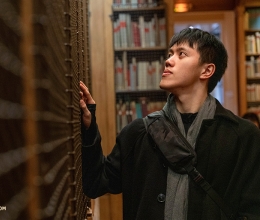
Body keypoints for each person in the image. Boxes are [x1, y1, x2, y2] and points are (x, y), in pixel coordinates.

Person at [79, 28, 260, 220]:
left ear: (207, 70)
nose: (168, 60)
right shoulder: (139, 132)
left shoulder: (243, 137)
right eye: (170, 54)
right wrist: (89, 129)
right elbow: (96, 183)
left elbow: (252, 210)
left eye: (181, 54)